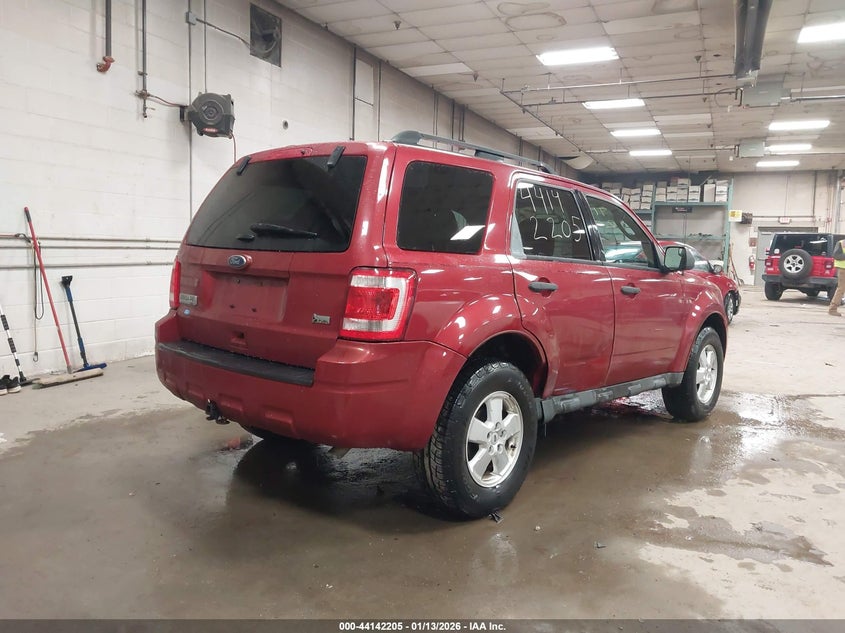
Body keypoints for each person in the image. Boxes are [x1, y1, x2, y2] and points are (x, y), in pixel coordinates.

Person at [829, 237, 845, 316]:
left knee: (841, 289)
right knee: (841, 289)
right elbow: (836, 255)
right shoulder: (842, 243)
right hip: (843, 269)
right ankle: (833, 309)